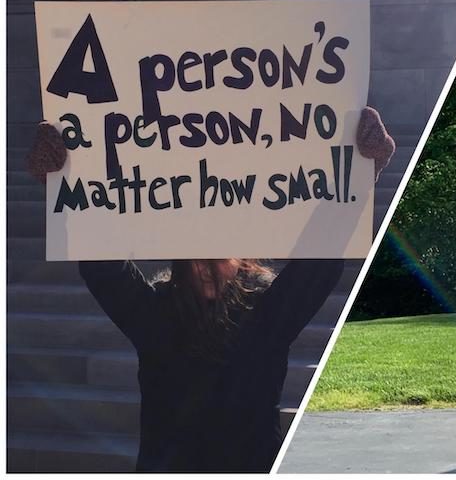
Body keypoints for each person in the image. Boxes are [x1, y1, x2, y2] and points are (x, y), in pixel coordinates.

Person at [28, 107, 395, 472]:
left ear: (242, 253)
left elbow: (322, 261)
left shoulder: (268, 312)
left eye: (217, 252)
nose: (204, 265)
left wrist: (362, 174)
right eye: (194, 253)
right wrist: (63, 181)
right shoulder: (155, 314)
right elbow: (101, 266)